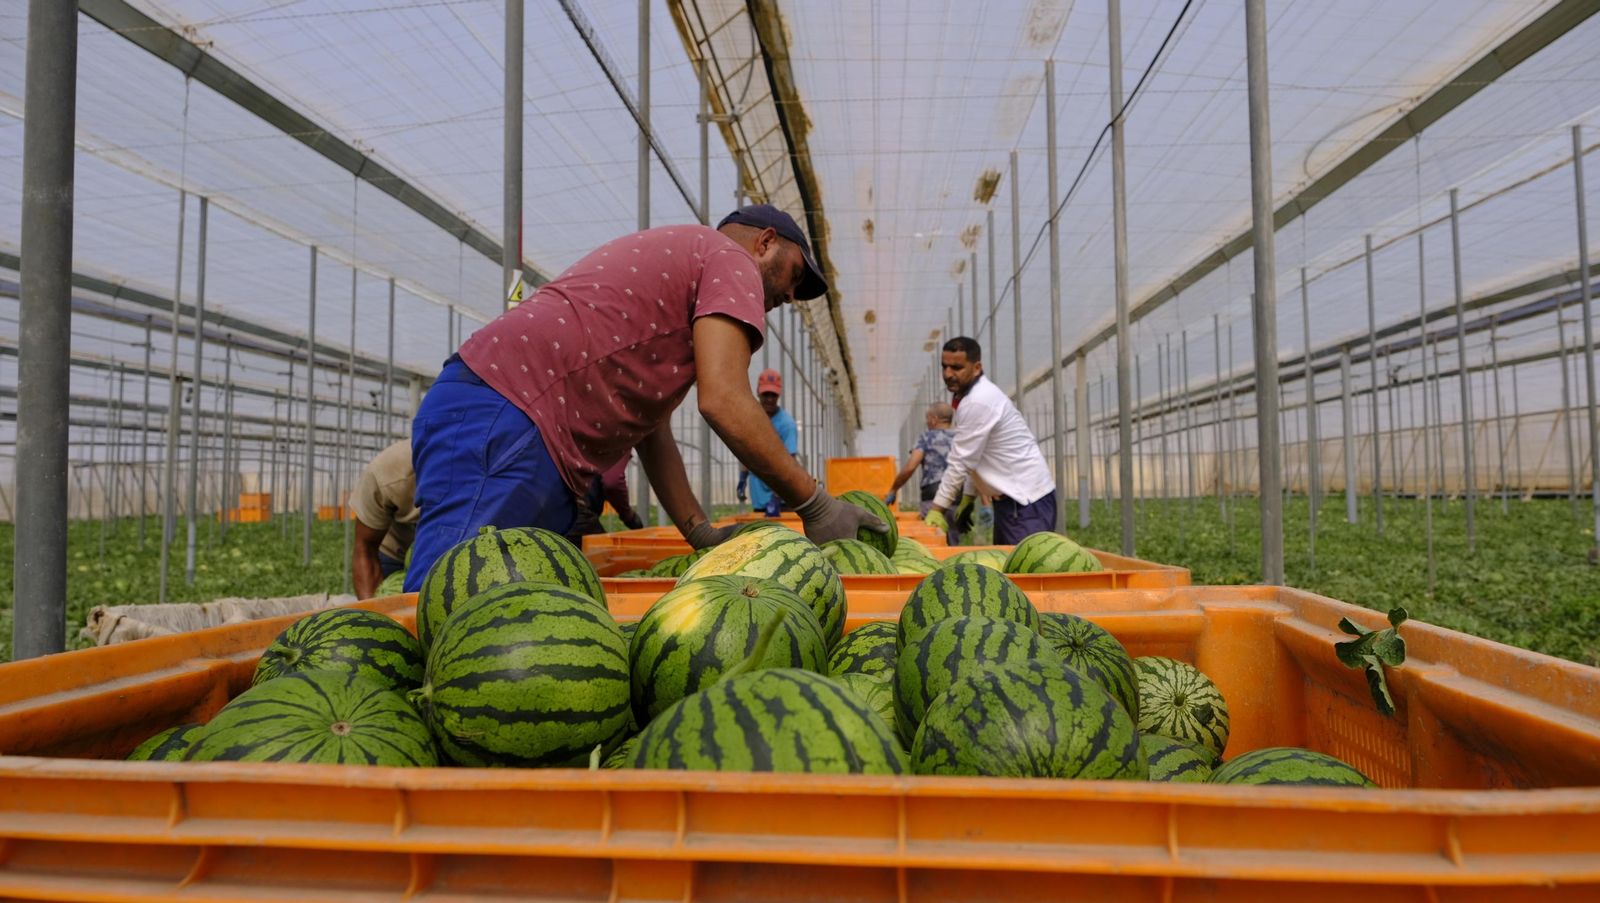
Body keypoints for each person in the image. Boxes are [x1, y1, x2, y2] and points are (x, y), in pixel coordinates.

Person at [403, 205, 885, 591]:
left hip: (518, 422)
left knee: (494, 608)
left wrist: (699, 531)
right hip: (508, 413)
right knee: (448, 601)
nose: (791, 295)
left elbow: (651, 431)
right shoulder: (730, 259)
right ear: (765, 243)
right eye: (795, 276)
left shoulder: (687, 272)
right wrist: (816, 504)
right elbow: (724, 400)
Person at [924, 336, 1057, 544]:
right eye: (945, 367)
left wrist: (937, 509)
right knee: (1008, 569)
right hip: (1013, 503)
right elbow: (976, 455)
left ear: (976, 367)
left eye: (957, 368)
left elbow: (961, 461)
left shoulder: (978, 401)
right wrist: (969, 495)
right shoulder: (968, 398)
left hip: (1025, 502)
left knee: (1022, 572)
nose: (948, 374)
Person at [350, 440, 419, 598]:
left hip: (440, 554)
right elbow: (365, 547)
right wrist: (372, 614)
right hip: (394, 552)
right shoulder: (385, 473)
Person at [735, 369, 798, 516]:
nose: (769, 399)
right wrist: (742, 479)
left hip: (782, 499)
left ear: (779, 394)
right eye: (766, 394)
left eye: (773, 395)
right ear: (758, 391)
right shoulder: (750, 420)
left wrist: (777, 497)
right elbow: (745, 452)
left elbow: (789, 463)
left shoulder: (786, 424)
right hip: (759, 496)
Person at [885, 401, 954, 517]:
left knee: (934, 532)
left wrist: (894, 489)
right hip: (957, 495)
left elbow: (910, 468)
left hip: (933, 496)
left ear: (934, 419)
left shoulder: (926, 438)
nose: (927, 423)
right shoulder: (961, 438)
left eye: (927, 419)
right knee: (954, 533)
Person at [566, 456, 647, 540]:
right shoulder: (619, 442)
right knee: (603, 551)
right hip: (576, 508)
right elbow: (613, 483)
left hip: (560, 502)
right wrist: (629, 517)